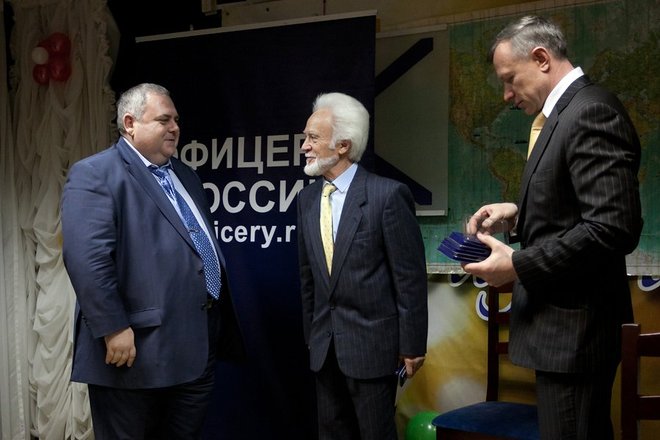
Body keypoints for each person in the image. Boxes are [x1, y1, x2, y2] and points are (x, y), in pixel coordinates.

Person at [462, 16, 643, 440]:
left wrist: (518, 265)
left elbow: (612, 227)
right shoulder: (563, 114)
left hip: (577, 336)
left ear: (541, 58)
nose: (507, 96)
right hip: (565, 334)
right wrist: (516, 214)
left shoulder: (589, 110)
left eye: (509, 79)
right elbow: (574, 210)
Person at [61, 83, 245, 439]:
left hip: (195, 344)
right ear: (130, 123)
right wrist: (113, 327)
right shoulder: (96, 173)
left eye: (176, 120)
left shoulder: (186, 176)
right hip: (135, 349)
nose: (175, 127)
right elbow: (88, 259)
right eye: (164, 120)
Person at [296, 92, 428, 440]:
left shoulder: (388, 195)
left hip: (373, 348)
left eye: (313, 138)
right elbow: (308, 276)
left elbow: (409, 278)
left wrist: (413, 344)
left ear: (343, 145)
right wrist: (312, 336)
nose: (304, 146)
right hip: (324, 350)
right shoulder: (306, 199)